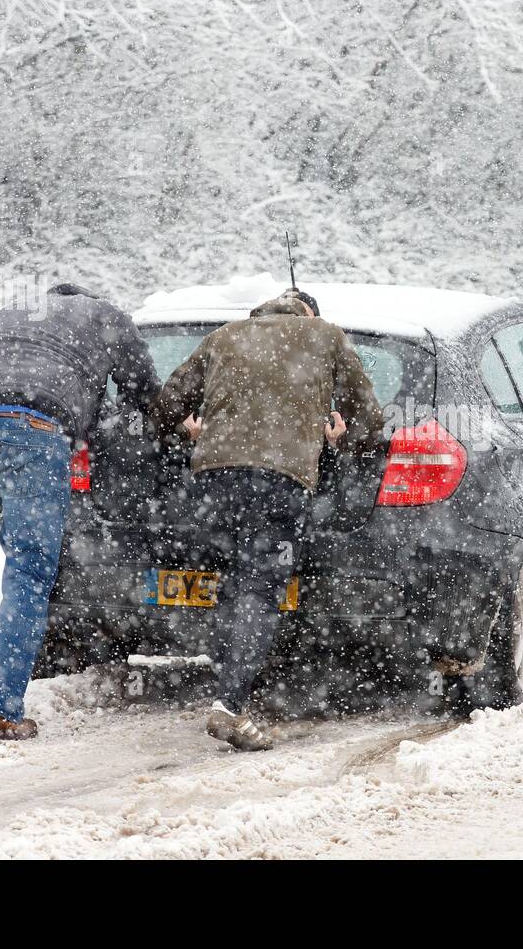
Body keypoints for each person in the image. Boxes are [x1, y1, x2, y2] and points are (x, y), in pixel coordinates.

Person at [149, 289, 384, 750]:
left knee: (230, 583)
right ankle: (229, 705)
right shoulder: (326, 336)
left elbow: (166, 407)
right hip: (281, 481)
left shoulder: (224, 336)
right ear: (310, 314)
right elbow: (370, 422)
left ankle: (224, 688)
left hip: (215, 482)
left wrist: (189, 430)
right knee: (259, 588)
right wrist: (341, 442)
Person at [0, 283, 160, 739]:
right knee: (31, 567)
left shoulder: (15, 310)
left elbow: (10, 367)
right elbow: (143, 391)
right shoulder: (107, 316)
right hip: (35, 426)